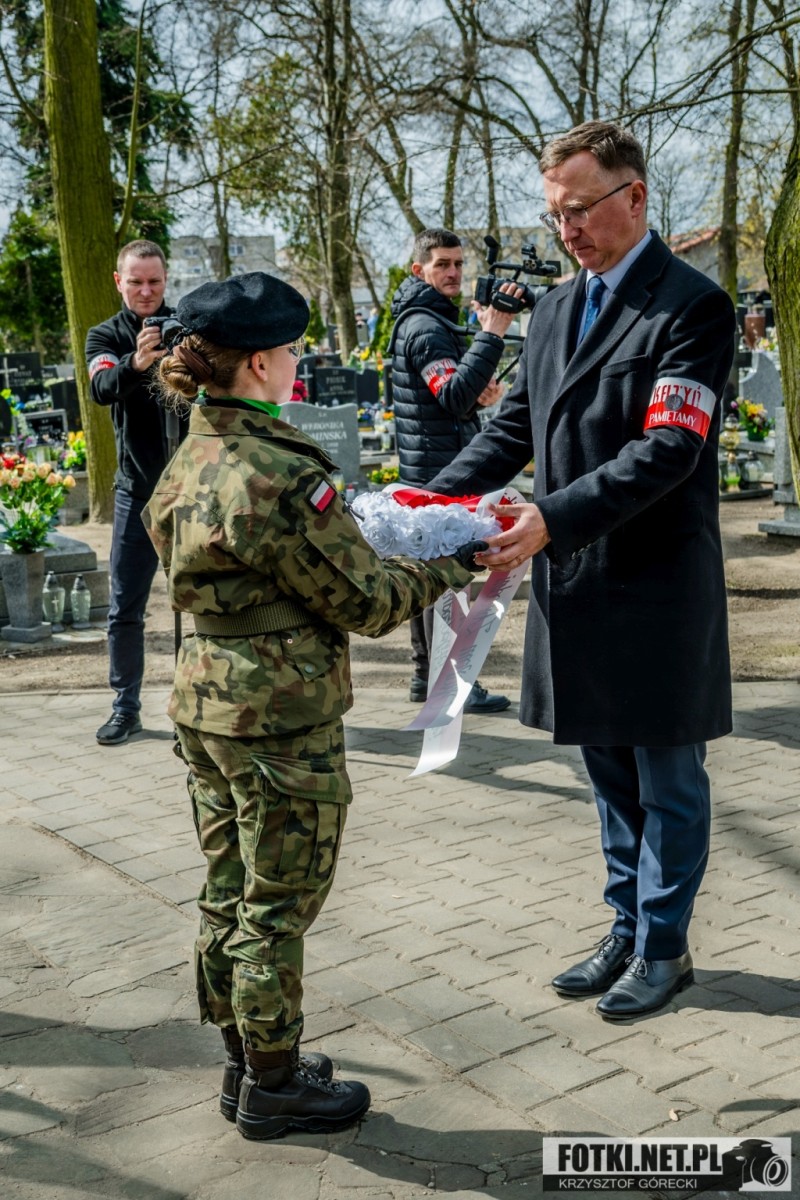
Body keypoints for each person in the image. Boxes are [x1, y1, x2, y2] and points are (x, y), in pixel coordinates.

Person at [141, 271, 484, 1140]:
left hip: (205, 703)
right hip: (278, 717)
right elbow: (368, 602)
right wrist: (461, 558)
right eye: (291, 349)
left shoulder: (192, 452)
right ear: (260, 362)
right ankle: (275, 1085)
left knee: (227, 889)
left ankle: (245, 1061)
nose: (297, 362)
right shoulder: (280, 474)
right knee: (276, 905)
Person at [427, 121, 736, 1021]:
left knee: (667, 778)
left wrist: (551, 518)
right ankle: (626, 924)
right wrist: (424, 505)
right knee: (606, 769)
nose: (566, 229)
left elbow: (670, 448)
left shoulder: (692, 307)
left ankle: (665, 946)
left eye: (581, 209)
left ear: (633, 197)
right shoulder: (558, 309)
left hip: (655, 584)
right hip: (576, 581)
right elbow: (510, 430)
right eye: (555, 214)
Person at [389, 228, 516, 713]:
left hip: (431, 462)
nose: (454, 273)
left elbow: (453, 396)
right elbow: (453, 395)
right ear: (419, 270)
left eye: (459, 264)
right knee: (445, 576)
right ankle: (451, 683)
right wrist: (493, 333)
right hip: (437, 470)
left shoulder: (429, 319)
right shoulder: (425, 326)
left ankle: (426, 676)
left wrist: (480, 394)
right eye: (442, 264)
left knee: (429, 575)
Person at [85, 239, 187, 746]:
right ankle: (126, 707)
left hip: (192, 491)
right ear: (118, 281)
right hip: (137, 492)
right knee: (125, 606)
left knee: (206, 601)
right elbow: (101, 388)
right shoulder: (104, 335)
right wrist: (137, 362)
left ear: (166, 280)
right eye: (136, 282)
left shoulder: (188, 326)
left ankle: (199, 707)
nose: (146, 291)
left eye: (155, 281)